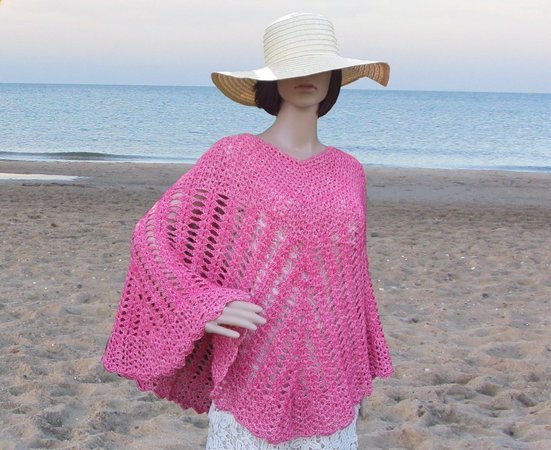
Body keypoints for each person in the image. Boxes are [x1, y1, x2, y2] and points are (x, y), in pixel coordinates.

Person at [102, 12, 393, 449]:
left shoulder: (349, 170)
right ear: (272, 80)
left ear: (334, 78)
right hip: (255, 357)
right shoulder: (235, 157)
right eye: (293, 67)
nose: (307, 76)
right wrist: (204, 303)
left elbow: (352, 278)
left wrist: (354, 366)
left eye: (318, 66)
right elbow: (153, 236)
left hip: (330, 367)